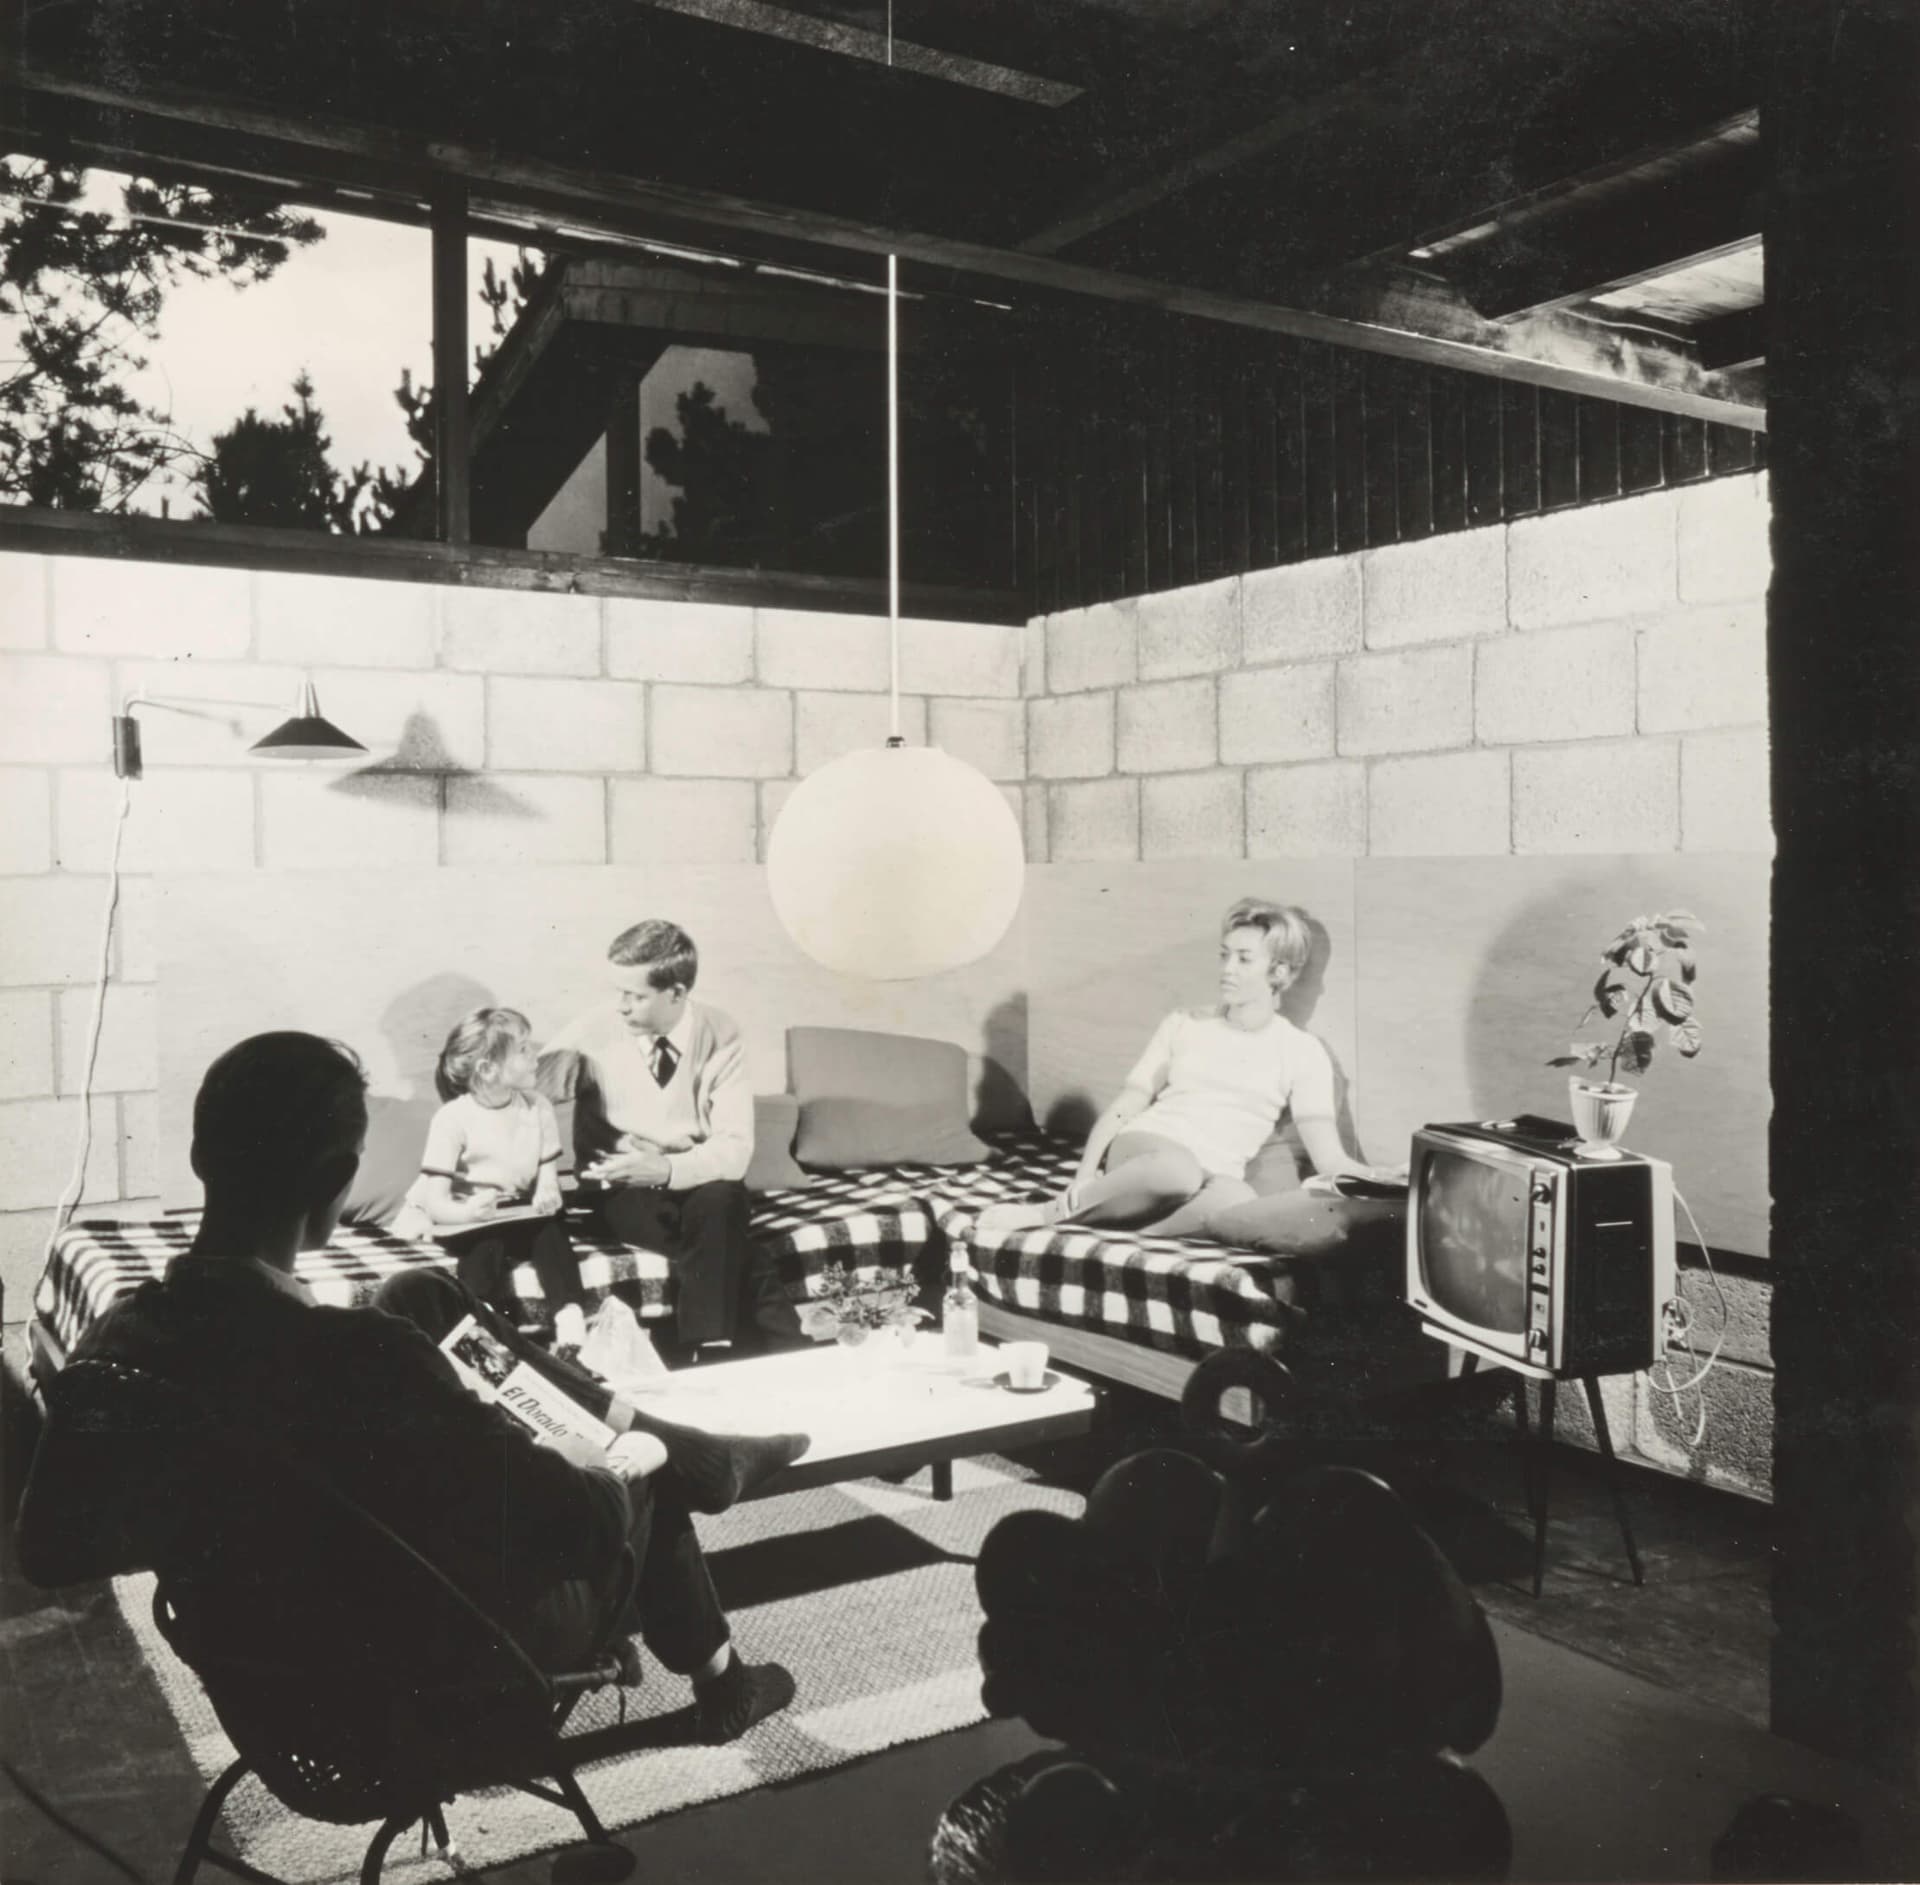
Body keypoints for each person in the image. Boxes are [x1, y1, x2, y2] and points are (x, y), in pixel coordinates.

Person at [17, 1031, 807, 1744]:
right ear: (334, 1178)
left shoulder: (126, 1337)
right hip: (434, 1660)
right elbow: (573, 1523)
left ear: (200, 1157)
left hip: (275, 1674)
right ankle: (720, 1670)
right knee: (635, 1465)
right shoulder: (362, 1360)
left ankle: (693, 1453)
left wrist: (211, 1502)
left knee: (417, 1291)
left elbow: (47, 1548)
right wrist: (604, 1465)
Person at [977, 899, 1400, 1239]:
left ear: (1281, 972)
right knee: (1174, 1171)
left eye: (1243, 959)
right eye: (1225, 955)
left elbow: (1329, 1157)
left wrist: (1383, 1177)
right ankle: (1047, 1215)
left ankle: (1127, 1231)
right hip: (1148, 1151)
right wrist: (1085, 1176)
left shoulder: (1303, 1051)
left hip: (1214, 1174)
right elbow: (1128, 1104)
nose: (1227, 969)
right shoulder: (1185, 1023)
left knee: (1237, 1201)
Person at [541, 919, 801, 1361]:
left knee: (723, 1198)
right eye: (617, 991)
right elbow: (523, 1096)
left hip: (696, 1186)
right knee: (733, 1240)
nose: (620, 1006)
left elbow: (735, 1150)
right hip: (618, 1192)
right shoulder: (593, 1031)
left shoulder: (721, 1033)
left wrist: (665, 1169)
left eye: (635, 995)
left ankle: (708, 1348)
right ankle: (770, 1348)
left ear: (676, 993)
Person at [402, 1006, 590, 1358]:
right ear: (487, 1070)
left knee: (552, 1234)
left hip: (521, 1213)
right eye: (522, 1049)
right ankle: (480, 1324)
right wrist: (470, 1213)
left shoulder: (538, 1108)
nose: (536, 1056)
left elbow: (547, 1171)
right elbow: (435, 1201)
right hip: (472, 1219)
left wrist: (548, 1189)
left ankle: (570, 1323)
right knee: (485, 1251)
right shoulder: (453, 1118)